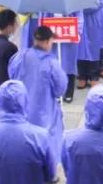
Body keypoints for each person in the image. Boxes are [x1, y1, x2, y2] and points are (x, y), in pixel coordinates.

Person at [8, 25, 67, 169]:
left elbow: (11, 74)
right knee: (47, 143)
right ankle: (47, 173)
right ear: (47, 42)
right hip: (44, 113)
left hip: (21, 111)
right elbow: (60, 89)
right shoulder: (51, 63)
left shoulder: (20, 56)